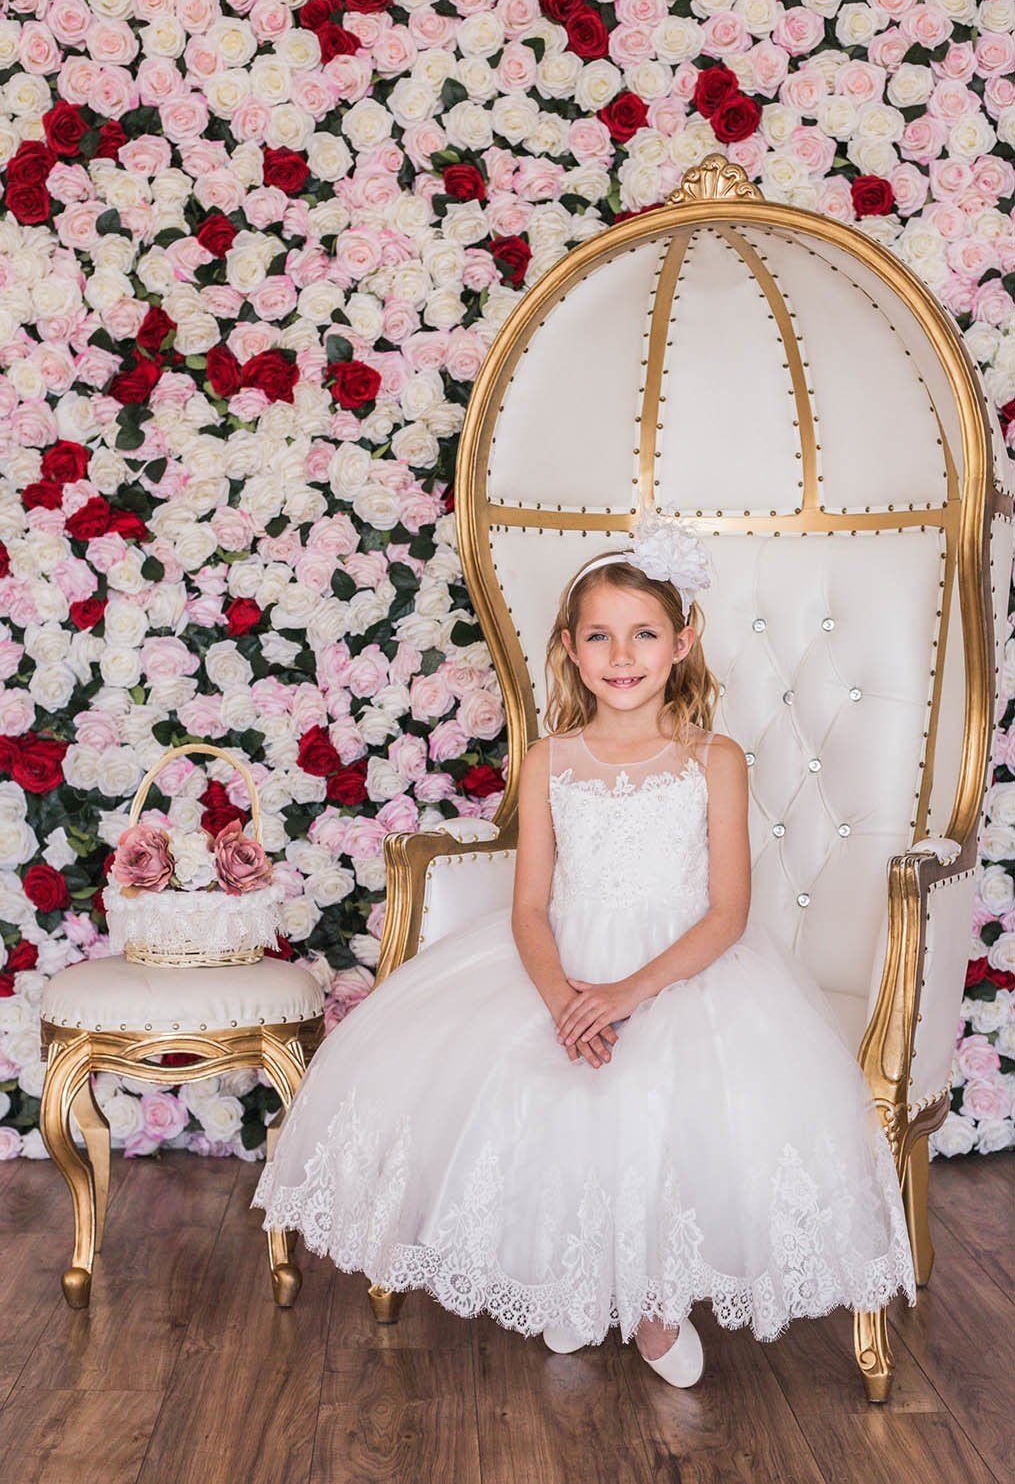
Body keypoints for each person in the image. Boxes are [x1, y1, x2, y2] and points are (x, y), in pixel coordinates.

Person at [252, 501, 917, 1388]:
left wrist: (624, 995)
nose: (621, 657)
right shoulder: (551, 761)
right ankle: (574, 1278)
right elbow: (529, 908)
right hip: (559, 967)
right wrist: (567, 996)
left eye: (643, 634)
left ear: (681, 642)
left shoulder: (710, 758)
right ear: (568, 646)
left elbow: (726, 912)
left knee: (652, 1100)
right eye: (599, 637)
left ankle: (651, 1302)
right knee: (547, 1099)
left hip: (678, 969)